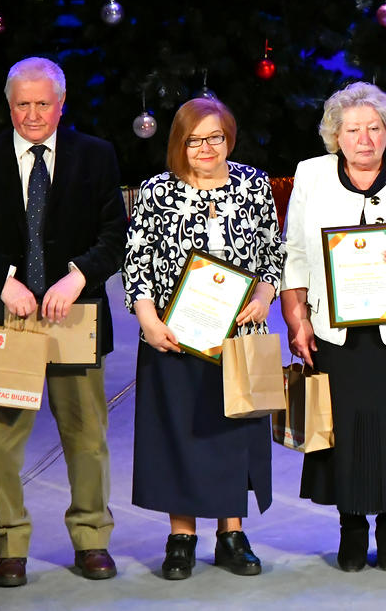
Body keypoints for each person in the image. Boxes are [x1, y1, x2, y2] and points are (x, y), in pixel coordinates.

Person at [0, 57, 127, 587]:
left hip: (76, 315)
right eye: (23, 104)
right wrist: (2, 281)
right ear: (10, 105)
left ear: (61, 105)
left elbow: (115, 234)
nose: (33, 114)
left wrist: (77, 278)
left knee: (87, 435)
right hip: (7, 321)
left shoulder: (95, 156)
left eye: (43, 103)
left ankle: (92, 538)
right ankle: (9, 546)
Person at [281, 82, 386, 573]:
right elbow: (296, 254)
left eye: (374, 128)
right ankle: (351, 529)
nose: (364, 139)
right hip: (334, 330)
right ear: (336, 135)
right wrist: (297, 319)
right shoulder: (311, 175)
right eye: (353, 130)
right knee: (344, 432)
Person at [122, 98, 284, 580]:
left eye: (215, 137)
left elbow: (272, 253)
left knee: (233, 432)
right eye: (195, 140)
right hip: (174, 336)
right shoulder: (156, 191)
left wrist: (264, 295)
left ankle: (232, 534)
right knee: (179, 434)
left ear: (228, 138)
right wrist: (148, 321)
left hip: (238, 336)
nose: (206, 148)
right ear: (179, 144)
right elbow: (137, 264)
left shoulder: (253, 185)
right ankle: (182, 536)